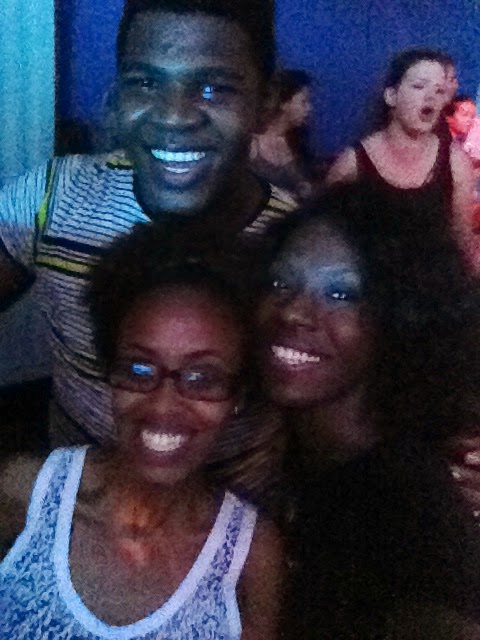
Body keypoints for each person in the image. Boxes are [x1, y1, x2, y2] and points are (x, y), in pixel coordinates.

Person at [0, 0, 294, 449]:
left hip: (243, 492)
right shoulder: (52, 198)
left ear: (266, 102)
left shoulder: (297, 249)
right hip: (79, 486)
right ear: (118, 93)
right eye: (145, 83)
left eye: (213, 88)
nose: (174, 116)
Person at [0, 233, 284, 638]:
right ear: (110, 373)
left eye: (202, 378)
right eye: (139, 370)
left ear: (237, 395)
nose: (163, 406)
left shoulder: (252, 558)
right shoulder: (22, 494)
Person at [256, 184, 480, 637]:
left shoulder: (411, 528)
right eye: (281, 283)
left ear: (401, 315)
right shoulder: (306, 456)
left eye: (341, 294)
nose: (294, 311)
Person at [325, 48, 477, 267]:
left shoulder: (455, 162)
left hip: (435, 282)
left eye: (439, 90)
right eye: (419, 86)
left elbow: (462, 239)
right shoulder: (353, 163)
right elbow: (327, 237)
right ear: (391, 96)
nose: (431, 96)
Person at [250, 69, 316, 202]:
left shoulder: (292, 142)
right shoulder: (252, 143)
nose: (309, 108)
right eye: (303, 102)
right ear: (284, 104)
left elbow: (302, 185)